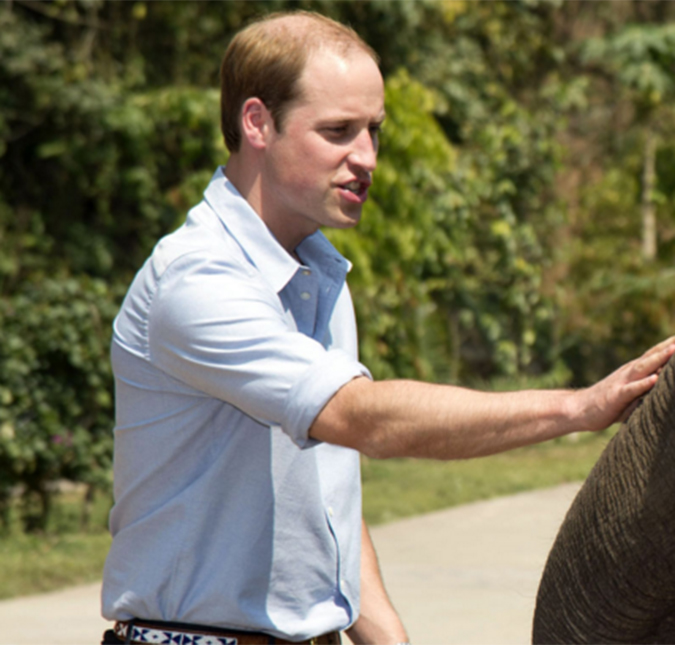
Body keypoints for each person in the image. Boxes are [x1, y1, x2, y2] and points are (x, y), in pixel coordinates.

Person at [100, 10, 675, 645]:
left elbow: (323, 491)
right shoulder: (198, 281)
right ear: (257, 122)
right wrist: (577, 407)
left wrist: (387, 636)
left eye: (373, 130)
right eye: (338, 131)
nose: (366, 157)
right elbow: (363, 420)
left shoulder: (317, 277)